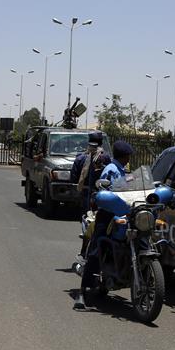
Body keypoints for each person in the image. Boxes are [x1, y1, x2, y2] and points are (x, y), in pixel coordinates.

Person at [74, 140, 135, 310]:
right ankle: (82, 292)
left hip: (125, 212)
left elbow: (131, 187)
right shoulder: (110, 169)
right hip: (108, 213)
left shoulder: (124, 171)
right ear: (124, 156)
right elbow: (102, 191)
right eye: (128, 156)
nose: (129, 158)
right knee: (96, 249)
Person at [70, 132, 106, 214]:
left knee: (85, 215)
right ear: (101, 143)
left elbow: (74, 178)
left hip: (85, 193)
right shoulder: (106, 157)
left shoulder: (80, 158)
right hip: (101, 193)